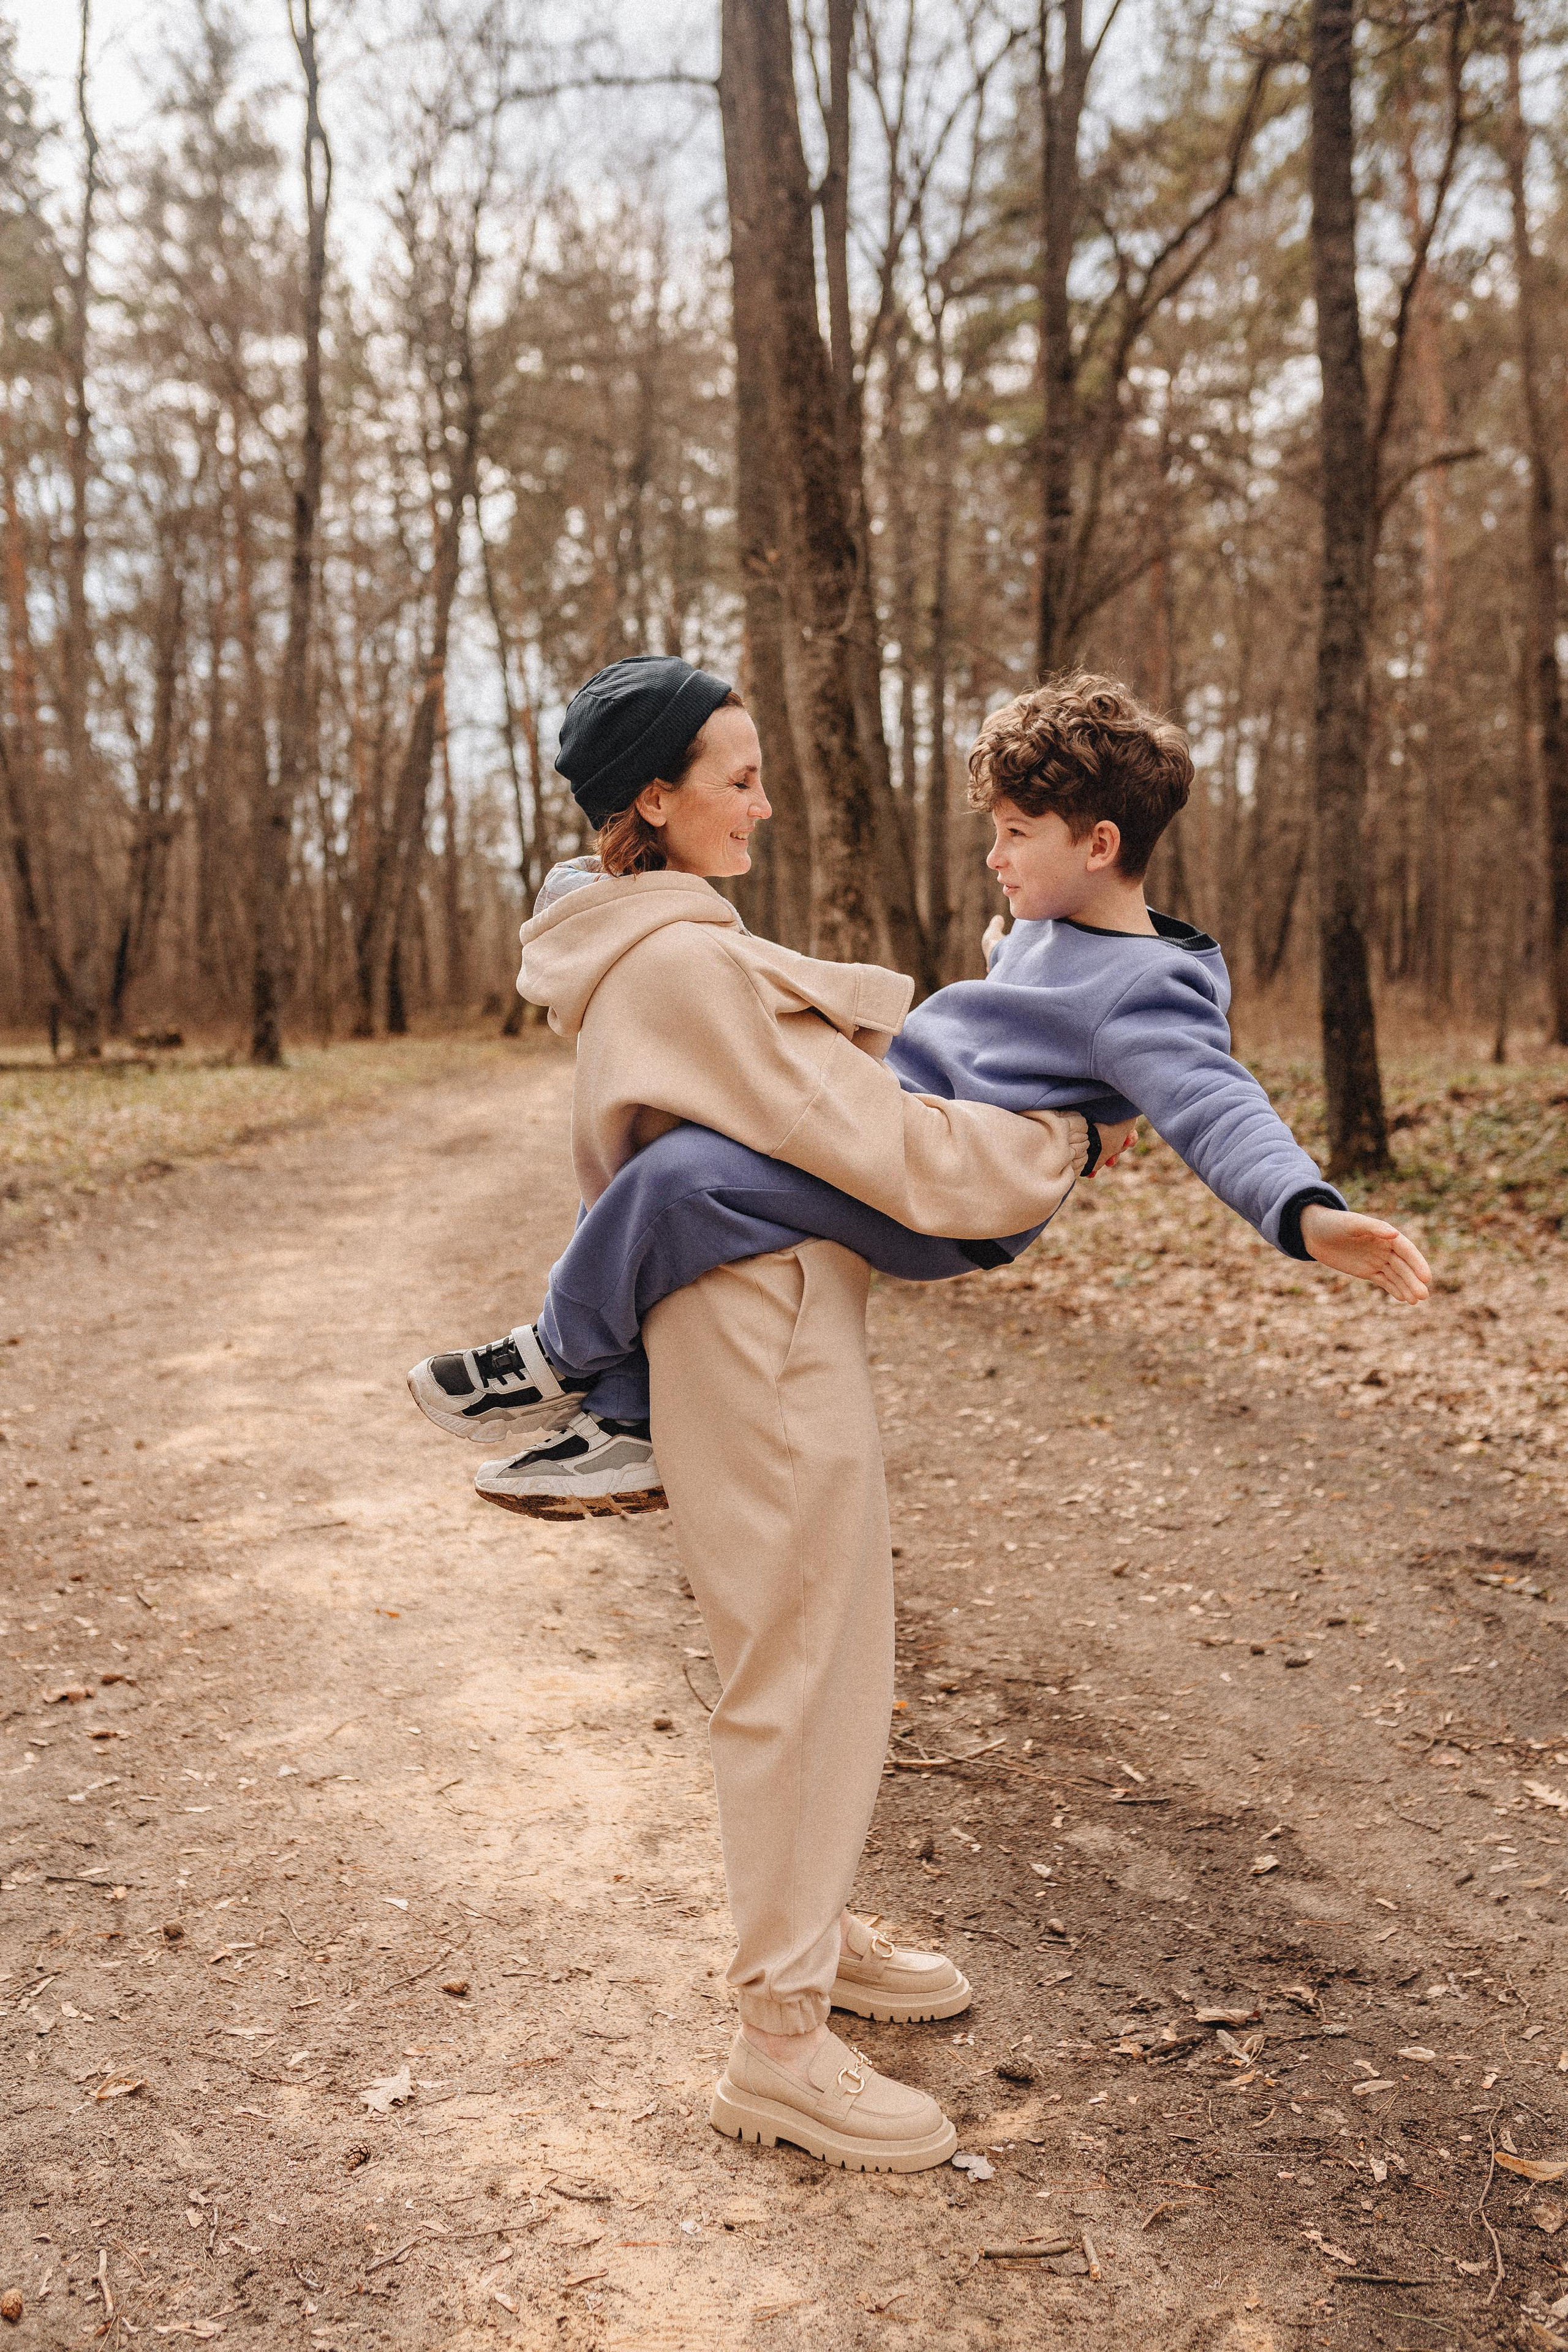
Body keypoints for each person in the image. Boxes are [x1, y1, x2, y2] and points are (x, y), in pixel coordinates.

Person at [417, 654, 1128, 2174]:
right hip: (763, 1348)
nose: (761, 799)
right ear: (653, 800)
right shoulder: (683, 968)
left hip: (764, 1329)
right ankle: (780, 2046)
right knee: (799, 1667)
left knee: (815, 1651)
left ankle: (807, 1935)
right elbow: (885, 1147)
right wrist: (1055, 1139)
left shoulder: (651, 945)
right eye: (734, 777)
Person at [412, 673, 1431, 1515]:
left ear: (1101, 845)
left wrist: (1306, 1213)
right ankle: (628, 1425)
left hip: (955, 1196)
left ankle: (555, 1352)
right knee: (698, 1192)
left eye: (1017, 834)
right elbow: (1019, 995)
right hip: (909, 1110)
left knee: (684, 1181)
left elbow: (1215, 1104)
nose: (994, 857)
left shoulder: (1147, 991)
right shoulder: (1053, 925)